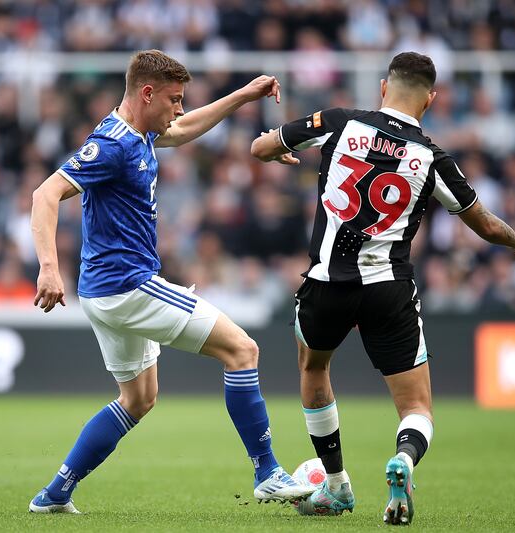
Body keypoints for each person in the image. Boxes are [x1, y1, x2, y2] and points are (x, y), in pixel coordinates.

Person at [250, 52, 515, 525]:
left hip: (326, 282)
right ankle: (403, 458)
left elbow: (261, 148)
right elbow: (483, 223)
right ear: (431, 99)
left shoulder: (340, 122)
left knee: (313, 367)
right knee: (417, 405)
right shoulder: (432, 156)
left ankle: (337, 487)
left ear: (384, 87)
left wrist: (280, 148)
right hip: (389, 287)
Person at [28, 50, 313, 514]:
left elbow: (181, 132)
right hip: (128, 285)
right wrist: (48, 267)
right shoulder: (115, 143)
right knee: (242, 350)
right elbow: (45, 193)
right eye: (174, 99)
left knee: (138, 399)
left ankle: (55, 493)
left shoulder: (140, 132)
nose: (179, 109)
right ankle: (267, 473)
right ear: (147, 93)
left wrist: (243, 95)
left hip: (105, 292)